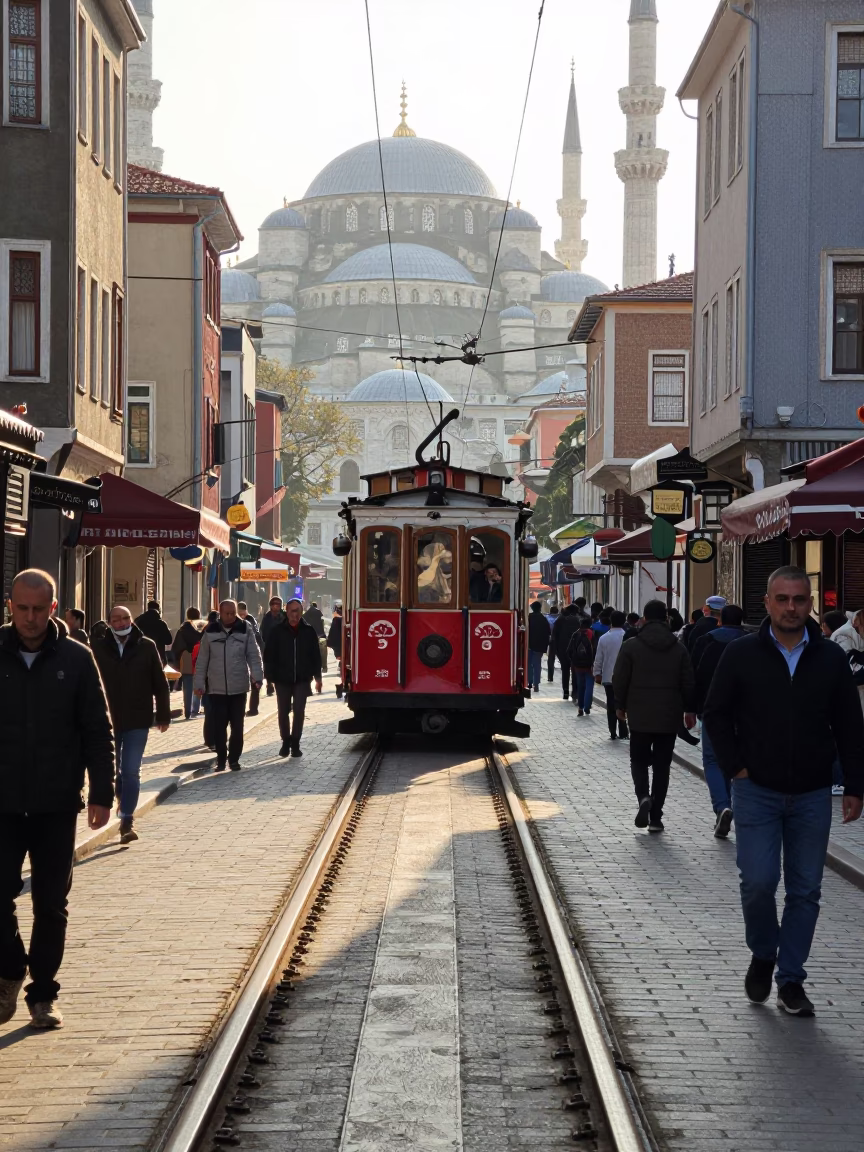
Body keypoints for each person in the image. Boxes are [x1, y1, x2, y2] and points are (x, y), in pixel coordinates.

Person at [704, 567, 864, 1016]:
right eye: (783, 599)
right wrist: (736, 766)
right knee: (757, 882)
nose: (791, 607)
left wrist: (855, 784)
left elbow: (851, 726)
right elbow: (715, 713)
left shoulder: (831, 659)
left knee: (805, 890)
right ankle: (764, 951)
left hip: (813, 792)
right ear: (768, 603)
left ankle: (791, 979)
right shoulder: (740, 654)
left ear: (809, 602)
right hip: (756, 789)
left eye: (799, 599)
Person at [0, 569, 113, 1030]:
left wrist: (103, 794)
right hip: (2, 803)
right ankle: (9, 968)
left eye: (38, 609)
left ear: (53, 607)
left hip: (55, 803)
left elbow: (96, 729)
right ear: (10, 606)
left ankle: (42, 994)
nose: (29, 618)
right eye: (21, 608)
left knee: (51, 903)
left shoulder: (77, 658)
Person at [612, 599, 697, 833]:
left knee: (638, 760)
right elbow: (688, 681)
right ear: (666, 619)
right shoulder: (679, 648)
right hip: (669, 716)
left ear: (644, 619)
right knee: (662, 766)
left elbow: (620, 679)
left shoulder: (631, 646)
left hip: (639, 715)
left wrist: (620, 705)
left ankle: (643, 797)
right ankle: (656, 817)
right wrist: (690, 709)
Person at [92, 605, 171, 843]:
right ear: (109, 623)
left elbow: (160, 683)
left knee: (131, 771)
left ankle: (127, 820)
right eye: (116, 619)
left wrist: (164, 715)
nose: (121, 623)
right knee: (113, 772)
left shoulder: (146, 646)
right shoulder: (97, 648)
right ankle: (121, 800)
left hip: (138, 718)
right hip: (107, 721)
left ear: (131, 620)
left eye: (125, 618)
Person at [692, 604, 747, 837]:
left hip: (712, 711)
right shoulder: (752, 643)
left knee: (713, 760)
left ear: (719, 621)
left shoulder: (707, 641)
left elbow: (695, 674)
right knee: (736, 760)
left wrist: (690, 708)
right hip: (745, 714)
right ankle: (731, 806)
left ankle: (722, 806)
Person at [193, 600, 263, 772]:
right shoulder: (210, 631)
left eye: (233, 613)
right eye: (227, 613)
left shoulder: (245, 628)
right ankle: (221, 759)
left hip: (238, 687)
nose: (231, 616)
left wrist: (258, 677)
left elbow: (253, 655)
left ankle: (234, 760)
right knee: (219, 726)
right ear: (220, 613)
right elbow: (202, 660)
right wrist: (199, 684)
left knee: (237, 726)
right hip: (216, 688)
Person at [264, 598, 323, 757]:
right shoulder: (277, 631)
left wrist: (318, 677)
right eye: (291, 611)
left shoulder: (308, 630)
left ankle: (295, 743)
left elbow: (315, 655)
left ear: (301, 612)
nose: (294, 614)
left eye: (297, 611)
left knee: (299, 711)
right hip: (282, 679)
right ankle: (285, 741)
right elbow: (269, 655)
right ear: (286, 612)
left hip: (302, 679)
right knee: (283, 711)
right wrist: (269, 678)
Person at [594, 610, 628, 739]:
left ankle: (612, 731)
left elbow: (599, 658)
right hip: (625, 678)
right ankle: (624, 730)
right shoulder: (627, 636)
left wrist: (597, 673)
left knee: (611, 704)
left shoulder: (604, 638)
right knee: (624, 704)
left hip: (608, 677)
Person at [171, 607, 203, 720]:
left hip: (185, 661)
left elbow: (175, 647)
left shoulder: (182, 629)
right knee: (198, 685)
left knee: (187, 686)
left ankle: (187, 711)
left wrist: (177, 661)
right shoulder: (201, 629)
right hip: (199, 659)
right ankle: (195, 710)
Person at [236, 602, 263, 715]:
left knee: (254, 685)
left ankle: (253, 709)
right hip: (242, 658)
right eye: (239, 614)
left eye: (243, 614)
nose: (241, 616)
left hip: (251, 655)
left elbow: (257, 639)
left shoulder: (249, 622)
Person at [553, 603, 583, 701]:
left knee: (565, 671)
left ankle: (565, 691)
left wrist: (556, 649)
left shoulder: (560, 619)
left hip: (562, 649)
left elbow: (554, 635)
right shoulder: (578, 620)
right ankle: (575, 692)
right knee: (575, 671)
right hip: (575, 649)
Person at [567, 617, 596, 716]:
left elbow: (569, 651)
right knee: (589, 686)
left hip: (578, 666)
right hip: (590, 666)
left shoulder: (575, 634)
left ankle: (580, 707)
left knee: (580, 686)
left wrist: (574, 662)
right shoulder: (592, 634)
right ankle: (587, 707)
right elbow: (595, 650)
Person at [259, 597, 286, 696]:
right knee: (268, 666)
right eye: (273, 604)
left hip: (282, 646)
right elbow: (262, 631)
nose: (275, 606)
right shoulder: (267, 617)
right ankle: (269, 684)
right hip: (269, 646)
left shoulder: (284, 616)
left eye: (277, 604)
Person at [134, 600, 173, 666]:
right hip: (158, 656)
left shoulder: (137, 621)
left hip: (140, 656)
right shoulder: (161, 623)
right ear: (158, 609)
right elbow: (168, 641)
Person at [527, 602, 551, 692]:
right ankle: (536, 684)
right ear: (540, 608)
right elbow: (548, 633)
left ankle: (529, 682)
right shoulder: (543, 619)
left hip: (529, 645)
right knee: (537, 664)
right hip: (539, 646)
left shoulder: (528, 618)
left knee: (529, 664)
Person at [303, 602, 328, 674]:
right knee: (323, 652)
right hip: (321, 635)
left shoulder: (305, 615)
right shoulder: (320, 614)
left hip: (310, 636)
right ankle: (324, 667)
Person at [327, 604, 344, 698]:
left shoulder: (336, 621)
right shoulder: (338, 621)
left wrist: (337, 652)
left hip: (342, 650)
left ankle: (342, 684)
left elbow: (333, 637)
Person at [546, 603, 559, 682]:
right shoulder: (560, 618)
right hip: (560, 640)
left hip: (551, 640)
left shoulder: (547, 618)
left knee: (551, 658)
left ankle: (550, 676)